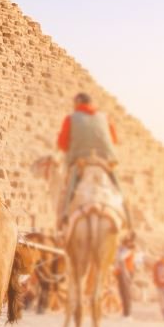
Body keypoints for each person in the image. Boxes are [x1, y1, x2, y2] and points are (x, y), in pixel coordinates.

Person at [55, 92, 128, 230]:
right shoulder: (105, 118)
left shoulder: (70, 119)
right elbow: (114, 140)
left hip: (81, 162)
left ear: (77, 104)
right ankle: (129, 222)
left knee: (67, 191)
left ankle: (63, 219)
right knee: (119, 191)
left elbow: (62, 144)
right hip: (106, 162)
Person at [153, 250, 164, 320]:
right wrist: (155, 282)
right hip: (159, 285)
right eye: (162, 255)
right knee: (162, 301)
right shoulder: (157, 264)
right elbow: (154, 274)